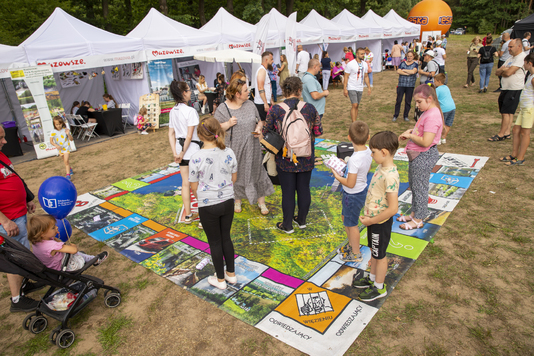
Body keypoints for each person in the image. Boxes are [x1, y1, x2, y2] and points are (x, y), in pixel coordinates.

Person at [263, 77, 323, 233]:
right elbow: (318, 131)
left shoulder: (275, 110)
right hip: (306, 156)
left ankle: (287, 225)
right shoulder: (310, 108)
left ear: (284, 90)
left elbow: (266, 132)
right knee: (304, 188)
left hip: (285, 157)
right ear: (299, 90)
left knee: (287, 192)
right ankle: (301, 220)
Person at [189, 118, 237, 289]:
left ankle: (220, 280)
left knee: (215, 242)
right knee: (226, 238)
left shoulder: (196, 157)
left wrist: (204, 196)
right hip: (227, 201)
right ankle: (231, 274)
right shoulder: (229, 152)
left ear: (200, 135)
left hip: (208, 205)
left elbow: (193, 186)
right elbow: (234, 178)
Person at [215, 78, 274, 215]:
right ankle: (237, 200)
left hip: (252, 147)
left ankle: (261, 202)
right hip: (234, 148)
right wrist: (228, 124)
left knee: (257, 171)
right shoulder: (223, 108)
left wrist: (259, 128)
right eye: (246, 90)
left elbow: (259, 121)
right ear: (237, 94)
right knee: (237, 174)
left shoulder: (250, 104)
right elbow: (214, 129)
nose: (249, 92)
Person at [352, 131, 399, 302]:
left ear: (384, 152)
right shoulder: (382, 166)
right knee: (374, 251)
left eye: (373, 152)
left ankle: (379, 287)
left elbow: (393, 208)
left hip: (380, 223)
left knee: (380, 255)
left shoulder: (390, 175)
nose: (371, 155)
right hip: (373, 221)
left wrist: (371, 220)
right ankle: (372, 279)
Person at [0, 125, 39, 312]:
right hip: (9, 221)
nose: (5, 141)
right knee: (14, 258)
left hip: (18, 214)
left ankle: (24, 284)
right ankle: (17, 300)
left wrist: (26, 199)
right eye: (0, 138)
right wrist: (5, 221)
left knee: (23, 253)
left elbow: (12, 178)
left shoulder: (2, 155)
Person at [398, 84, 443, 230]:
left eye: (419, 102)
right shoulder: (428, 111)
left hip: (423, 156)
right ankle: (414, 213)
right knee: (415, 186)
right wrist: (412, 131)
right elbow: (422, 131)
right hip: (418, 156)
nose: (417, 106)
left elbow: (426, 141)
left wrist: (411, 135)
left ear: (429, 99)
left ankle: (418, 219)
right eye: (416, 102)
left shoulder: (432, 115)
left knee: (420, 188)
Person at [332, 121, 372, 263]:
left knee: (351, 224)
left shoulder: (355, 159)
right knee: (346, 219)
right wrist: (347, 167)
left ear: (349, 137)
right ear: (368, 137)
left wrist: (337, 176)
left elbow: (350, 183)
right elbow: (366, 169)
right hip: (359, 191)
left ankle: (356, 253)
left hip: (352, 194)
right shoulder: (367, 151)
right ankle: (351, 245)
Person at [168, 80, 201, 223]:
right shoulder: (190, 111)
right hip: (191, 150)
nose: (191, 93)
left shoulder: (172, 111)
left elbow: (171, 134)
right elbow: (189, 135)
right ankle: (202, 216)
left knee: (185, 183)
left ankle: (188, 214)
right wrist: (181, 152)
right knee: (196, 184)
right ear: (183, 93)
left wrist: (175, 152)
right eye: (188, 90)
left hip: (181, 151)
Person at [28, 214, 107, 271]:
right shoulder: (51, 245)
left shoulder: (36, 242)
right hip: (63, 267)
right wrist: (74, 246)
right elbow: (73, 250)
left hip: (49, 268)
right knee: (76, 253)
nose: (57, 227)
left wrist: (54, 238)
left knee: (75, 253)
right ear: (42, 233)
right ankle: (94, 260)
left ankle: (93, 259)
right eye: (53, 228)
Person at [499, 53, 534, 166]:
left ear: (529, 63)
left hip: (529, 108)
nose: (524, 65)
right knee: (515, 130)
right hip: (524, 108)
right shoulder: (530, 75)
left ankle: (520, 158)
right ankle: (514, 154)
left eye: (525, 63)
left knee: (525, 133)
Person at [490, 39, 527, 141]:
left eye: (511, 47)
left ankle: (501, 134)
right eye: (508, 47)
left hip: (514, 88)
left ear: (519, 46)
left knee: (506, 112)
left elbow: (508, 73)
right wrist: (504, 69)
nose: (508, 49)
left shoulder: (521, 57)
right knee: (507, 112)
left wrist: (505, 70)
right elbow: (497, 72)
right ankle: (507, 132)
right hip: (505, 88)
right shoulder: (510, 58)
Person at [344, 48, 371, 122]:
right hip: (351, 86)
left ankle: (355, 120)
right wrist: (345, 88)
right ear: (357, 54)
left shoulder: (365, 64)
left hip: (360, 87)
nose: (363, 55)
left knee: (357, 106)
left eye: (364, 54)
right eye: (362, 54)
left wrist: (369, 87)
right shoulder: (350, 64)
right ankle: (353, 123)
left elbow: (366, 76)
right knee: (354, 105)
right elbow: (346, 76)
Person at [393, 51, 419, 122]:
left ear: (413, 57)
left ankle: (406, 115)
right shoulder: (402, 63)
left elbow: (413, 72)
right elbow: (398, 71)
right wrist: (408, 72)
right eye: (408, 56)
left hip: (410, 86)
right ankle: (395, 115)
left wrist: (404, 70)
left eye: (410, 56)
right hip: (401, 85)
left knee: (408, 101)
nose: (409, 57)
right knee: (398, 100)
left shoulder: (415, 64)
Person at [434, 73, 456, 144]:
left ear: (439, 81)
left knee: (441, 124)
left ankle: (438, 139)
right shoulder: (446, 87)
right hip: (452, 107)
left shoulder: (437, 90)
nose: (434, 83)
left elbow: (435, 99)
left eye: (435, 81)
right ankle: (443, 138)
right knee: (448, 124)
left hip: (444, 109)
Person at [254, 51, 274, 122]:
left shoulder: (264, 70)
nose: (273, 61)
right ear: (266, 60)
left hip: (264, 102)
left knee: (266, 124)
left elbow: (267, 87)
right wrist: (265, 103)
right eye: (271, 59)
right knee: (264, 124)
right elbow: (260, 88)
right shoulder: (262, 71)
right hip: (262, 103)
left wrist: (271, 100)